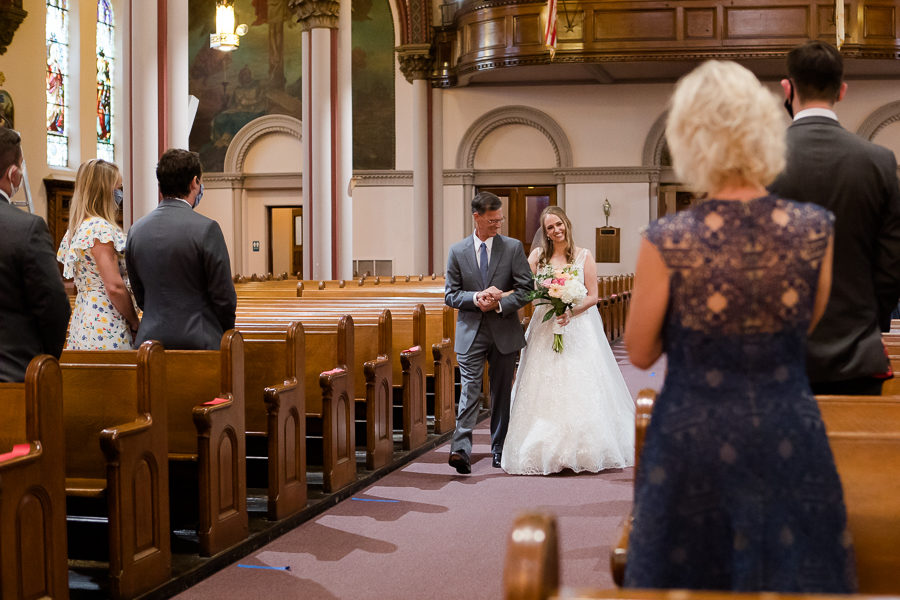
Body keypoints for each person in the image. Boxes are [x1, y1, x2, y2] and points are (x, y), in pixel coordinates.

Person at [623, 61, 856, 592]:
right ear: (764, 131)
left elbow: (638, 352)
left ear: (689, 139)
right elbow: (806, 326)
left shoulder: (668, 238)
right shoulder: (815, 228)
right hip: (787, 429)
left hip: (692, 435)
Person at [769, 40, 900, 395]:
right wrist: (867, 321)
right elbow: (892, 263)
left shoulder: (759, 161)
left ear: (787, 87)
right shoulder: (879, 161)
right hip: (856, 354)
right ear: (841, 91)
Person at [501, 206, 635, 475]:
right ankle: (542, 446)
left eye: (559, 224)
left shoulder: (584, 255)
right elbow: (526, 289)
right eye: (550, 227)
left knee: (581, 381)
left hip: (578, 327)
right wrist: (501, 296)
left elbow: (593, 296)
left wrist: (569, 311)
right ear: (546, 233)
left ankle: (585, 446)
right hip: (546, 324)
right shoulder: (538, 256)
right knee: (543, 384)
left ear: (566, 224)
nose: (556, 230)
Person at [444, 191, 533, 473]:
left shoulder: (513, 248)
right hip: (470, 330)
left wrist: (499, 303)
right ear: (477, 217)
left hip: (503, 330)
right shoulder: (457, 251)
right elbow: (451, 295)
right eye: (493, 220)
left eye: (500, 219)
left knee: (500, 393)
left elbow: (527, 289)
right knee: (469, 389)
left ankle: (499, 448)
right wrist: (475, 298)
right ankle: (461, 449)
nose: (498, 224)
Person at [125, 148, 236, 350]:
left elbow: (140, 294)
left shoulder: (136, 230)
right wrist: (224, 331)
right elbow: (224, 296)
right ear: (195, 182)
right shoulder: (206, 228)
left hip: (150, 342)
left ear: (160, 185)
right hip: (200, 340)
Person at [0, 127, 70, 382]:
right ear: (13, 174)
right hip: (13, 377)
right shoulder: (26, 228)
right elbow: (54, 305)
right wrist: (45, 359)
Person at [57, 159, 139, 349]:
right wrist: (134, 322)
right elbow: (114, 286)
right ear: (104, 191)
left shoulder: (74, 230)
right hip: (105, 320)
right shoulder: (99, 228)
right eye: (118, 188)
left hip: (83, 318)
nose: (120, 194)